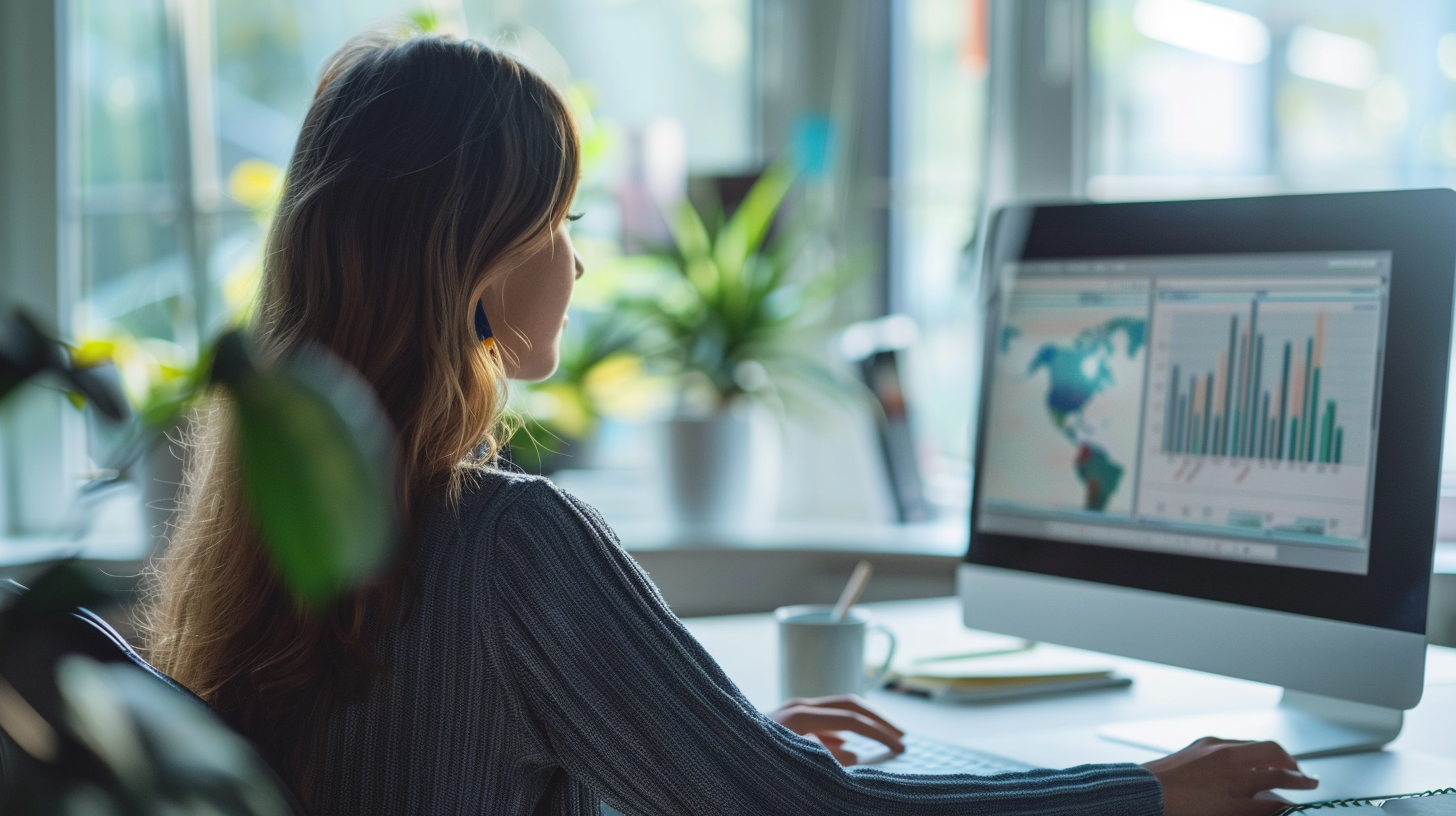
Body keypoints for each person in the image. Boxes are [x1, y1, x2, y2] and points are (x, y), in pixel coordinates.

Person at [143, 30, 1319, 816]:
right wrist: (1150, 795)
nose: (580, 256)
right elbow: (807, 815)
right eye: (557, 220)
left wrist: (691, 733)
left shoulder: (271, 517)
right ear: (474, 263)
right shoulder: (508, 539)